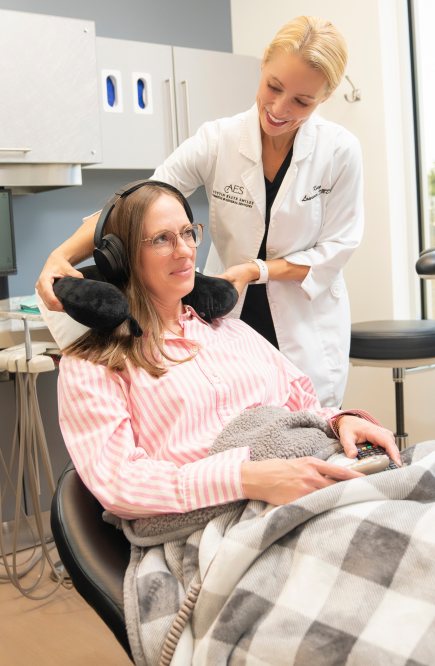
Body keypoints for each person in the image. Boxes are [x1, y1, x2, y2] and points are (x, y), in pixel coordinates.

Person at [40, 16, 363, 409]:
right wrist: (60, 256)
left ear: (325, 97)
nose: (279, 108)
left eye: (302, 101)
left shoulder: (339, 152)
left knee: (309, 422)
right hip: (229, 315)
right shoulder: (218, 140)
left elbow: (337, 249)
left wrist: (254, 271)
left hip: (305, 326)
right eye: (273, 87)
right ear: (263, 62)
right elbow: (133, 205)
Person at [57, 183, 397, 520]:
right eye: (162, 239)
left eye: (188, 233)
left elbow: (306, 408)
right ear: (121, 259)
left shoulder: (235, 331)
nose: (184, 251)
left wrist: (342, 421)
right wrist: (247, 478)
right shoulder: (92, 365)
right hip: (229, 519)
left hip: (318, 471)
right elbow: (120, 483)